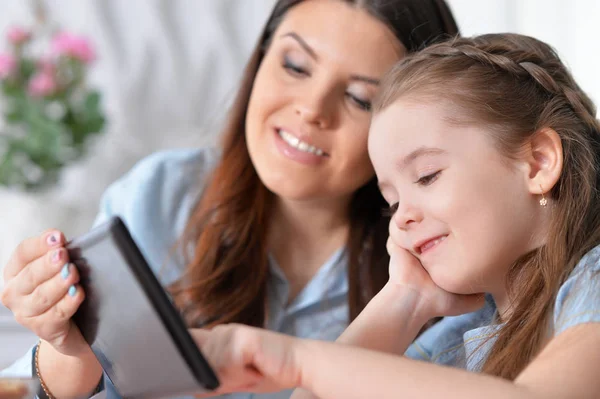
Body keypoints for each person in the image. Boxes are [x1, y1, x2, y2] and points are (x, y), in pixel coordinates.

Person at [0, 1, 460, 398]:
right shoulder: (160, 196)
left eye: (361, 99)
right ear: (259, 61)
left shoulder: (439, 267)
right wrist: (68, 356)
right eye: (296, 66)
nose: (311, 109)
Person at [190, 33, 600, 399]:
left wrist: (296, 359)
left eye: (426, 176)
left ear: (538, 163)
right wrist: (406, 299)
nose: (401, 218)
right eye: (393, 201)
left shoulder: (592, 279)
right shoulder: (459, 338)